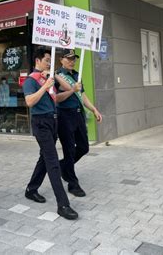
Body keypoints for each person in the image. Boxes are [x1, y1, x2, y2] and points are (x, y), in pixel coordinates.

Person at [23, 47, 78, 220]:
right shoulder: (30, 80)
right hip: (40, 122)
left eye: (50, 61)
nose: (49, 63)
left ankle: (31, 189)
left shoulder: (50, 78)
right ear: (37, 61)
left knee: (44, 157)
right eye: (47, 60)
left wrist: (54, 77)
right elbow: (30, 102)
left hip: (53, 120)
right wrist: (45, 86)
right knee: (52, 160)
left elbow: (64, 91)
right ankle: (63, 204)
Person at [56, 49, 103, 197]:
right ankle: (72, 183)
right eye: (68, 59)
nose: (72, 61)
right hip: (64, 116)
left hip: (78, 114)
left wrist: (94, 109)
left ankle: (63, 166)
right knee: (69, 149)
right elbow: (56, 98)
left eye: (73, 59)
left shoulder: (77, 74)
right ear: (61, 60)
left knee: (83, 147)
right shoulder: (56, 76)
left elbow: (82, 95)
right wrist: (72, 90)